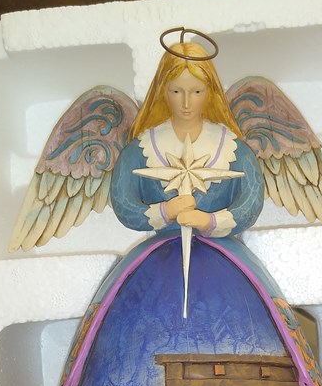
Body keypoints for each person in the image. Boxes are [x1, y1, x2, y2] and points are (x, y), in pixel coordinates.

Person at [110, 41, 264, 247]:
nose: (186, 102)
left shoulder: (234, 149)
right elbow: (124, 204)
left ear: (210, 92)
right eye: (176, 91)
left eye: (196, 92)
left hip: (219, 252)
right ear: (163, 91)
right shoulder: (139, 151)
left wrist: (209, 221)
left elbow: (251, 202)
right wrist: (165, 212)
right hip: (161, 253)